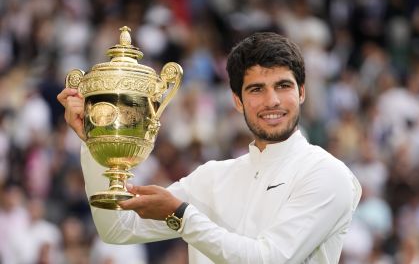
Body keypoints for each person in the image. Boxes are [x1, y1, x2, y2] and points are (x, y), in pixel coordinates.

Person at [57, 32, 362, 264]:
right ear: (237, 100)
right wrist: (95, 140)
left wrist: (181, 215)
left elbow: (267, 259)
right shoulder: (213, 177)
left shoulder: (327, 174)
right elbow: (118, 228)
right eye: (257, 89)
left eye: (283, 86)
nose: (272, 101)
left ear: (302, 92)